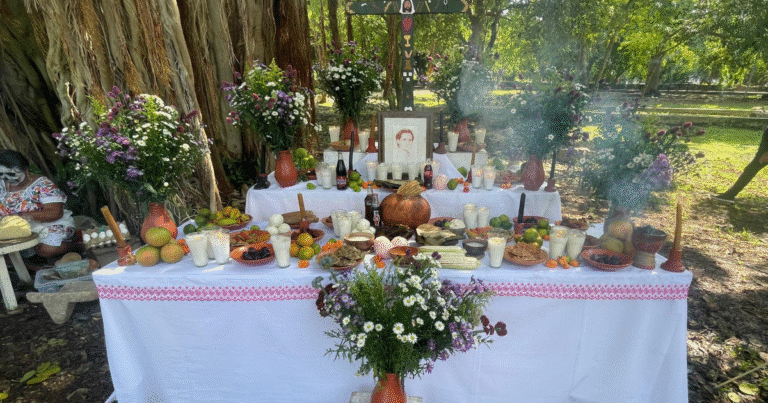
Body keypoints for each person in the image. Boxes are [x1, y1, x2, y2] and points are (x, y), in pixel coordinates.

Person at [0, 150, 76, 265]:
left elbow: (55, 213)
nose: (7, 178)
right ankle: (29, 268)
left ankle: (72, 247)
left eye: (12, 174)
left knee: (45, 248)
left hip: (48, 225)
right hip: (15, 231)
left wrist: (19, 216)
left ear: (26, 170)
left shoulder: (43, 185)